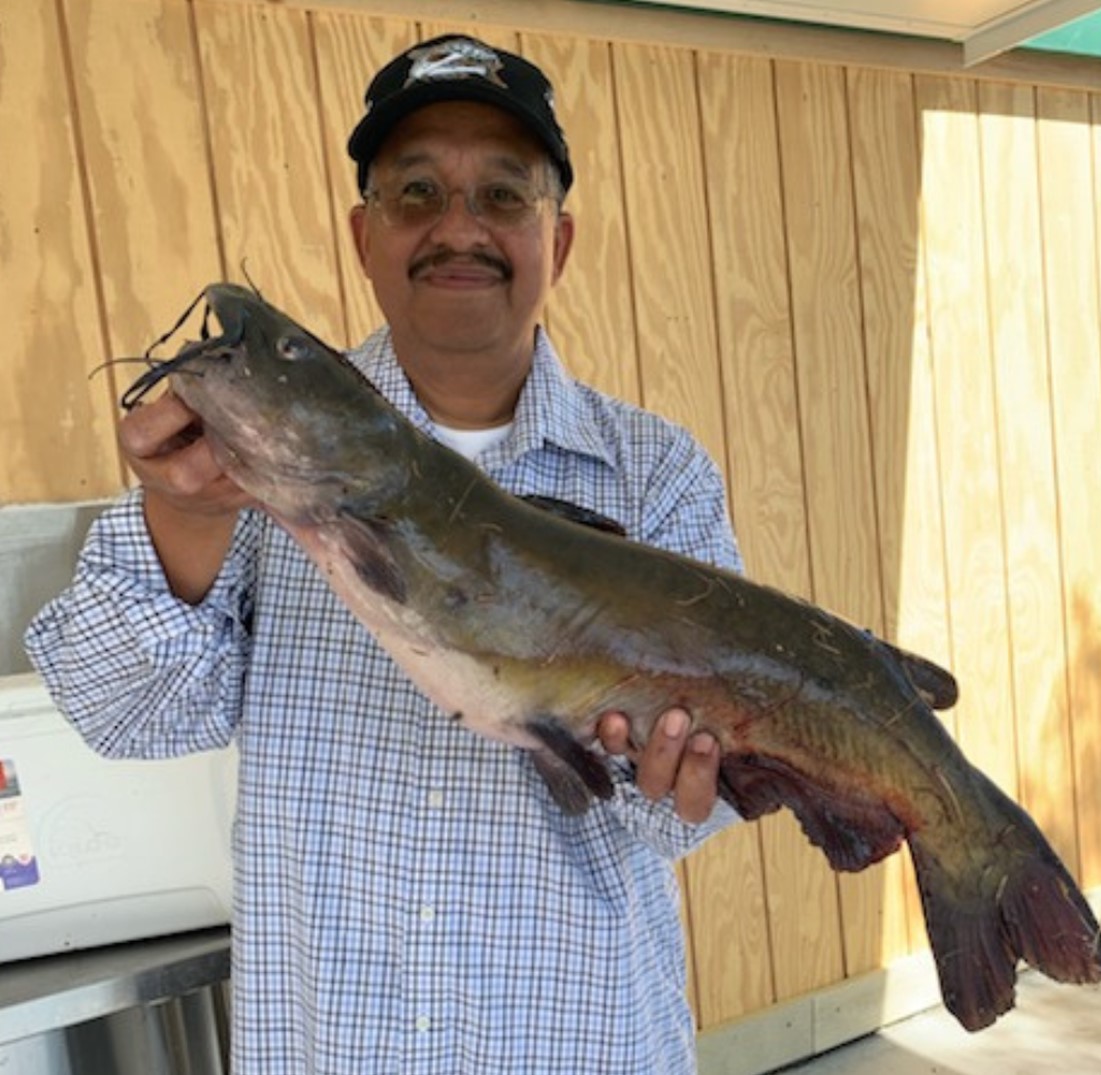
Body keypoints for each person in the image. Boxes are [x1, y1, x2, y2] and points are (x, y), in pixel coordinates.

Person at [26, 34, 744, 1075]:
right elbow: (125, 713)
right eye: (416, 193)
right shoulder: (249, 458)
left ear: (561, 240)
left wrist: (688, 779)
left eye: (503, 196)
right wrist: (182, 517)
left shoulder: (657, 475)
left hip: (581, 1044)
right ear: (363, 236)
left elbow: (683, 821)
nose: (459, 227)